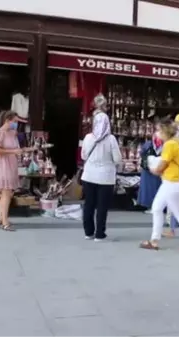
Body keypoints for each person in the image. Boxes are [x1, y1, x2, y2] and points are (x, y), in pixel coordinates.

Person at [139, 119, 179, 252]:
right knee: (164, 210)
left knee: (174, 212)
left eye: (159, 130)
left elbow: (163, 164)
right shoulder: (177, 142)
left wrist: (154, 170)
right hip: (174, 182)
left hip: (170, 183)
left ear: (165, 132)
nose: (157, 133)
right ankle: (156, 240)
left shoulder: (169, 145)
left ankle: (156, 241)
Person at [80, 95, 122, 241]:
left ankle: (88, 232)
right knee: (102, 207)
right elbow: (117, 159)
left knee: (89, 205)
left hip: (89, 175)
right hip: (106, 177)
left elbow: (84, 156)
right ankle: (99, 234)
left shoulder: (87, 138)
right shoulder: (111, 139)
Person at [0, 111, 36, 231]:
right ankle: (5, 222)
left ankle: (1, 217)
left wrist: (29, 149)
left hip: (12, 164)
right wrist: (12, 152)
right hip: (3, 165)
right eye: (15, 121)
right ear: (7, 120)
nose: (16, 124)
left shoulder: (12, 133)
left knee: (8, 193)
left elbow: (16, 149)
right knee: (6, 193)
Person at [137, 131, 163, 212]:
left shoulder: (148, 144)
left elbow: (141, 154)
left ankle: (151, 207)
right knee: (158, 188)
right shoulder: (165, 145)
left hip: (148, 170)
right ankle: (159, 207)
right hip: (159, 170)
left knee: (148, 189)